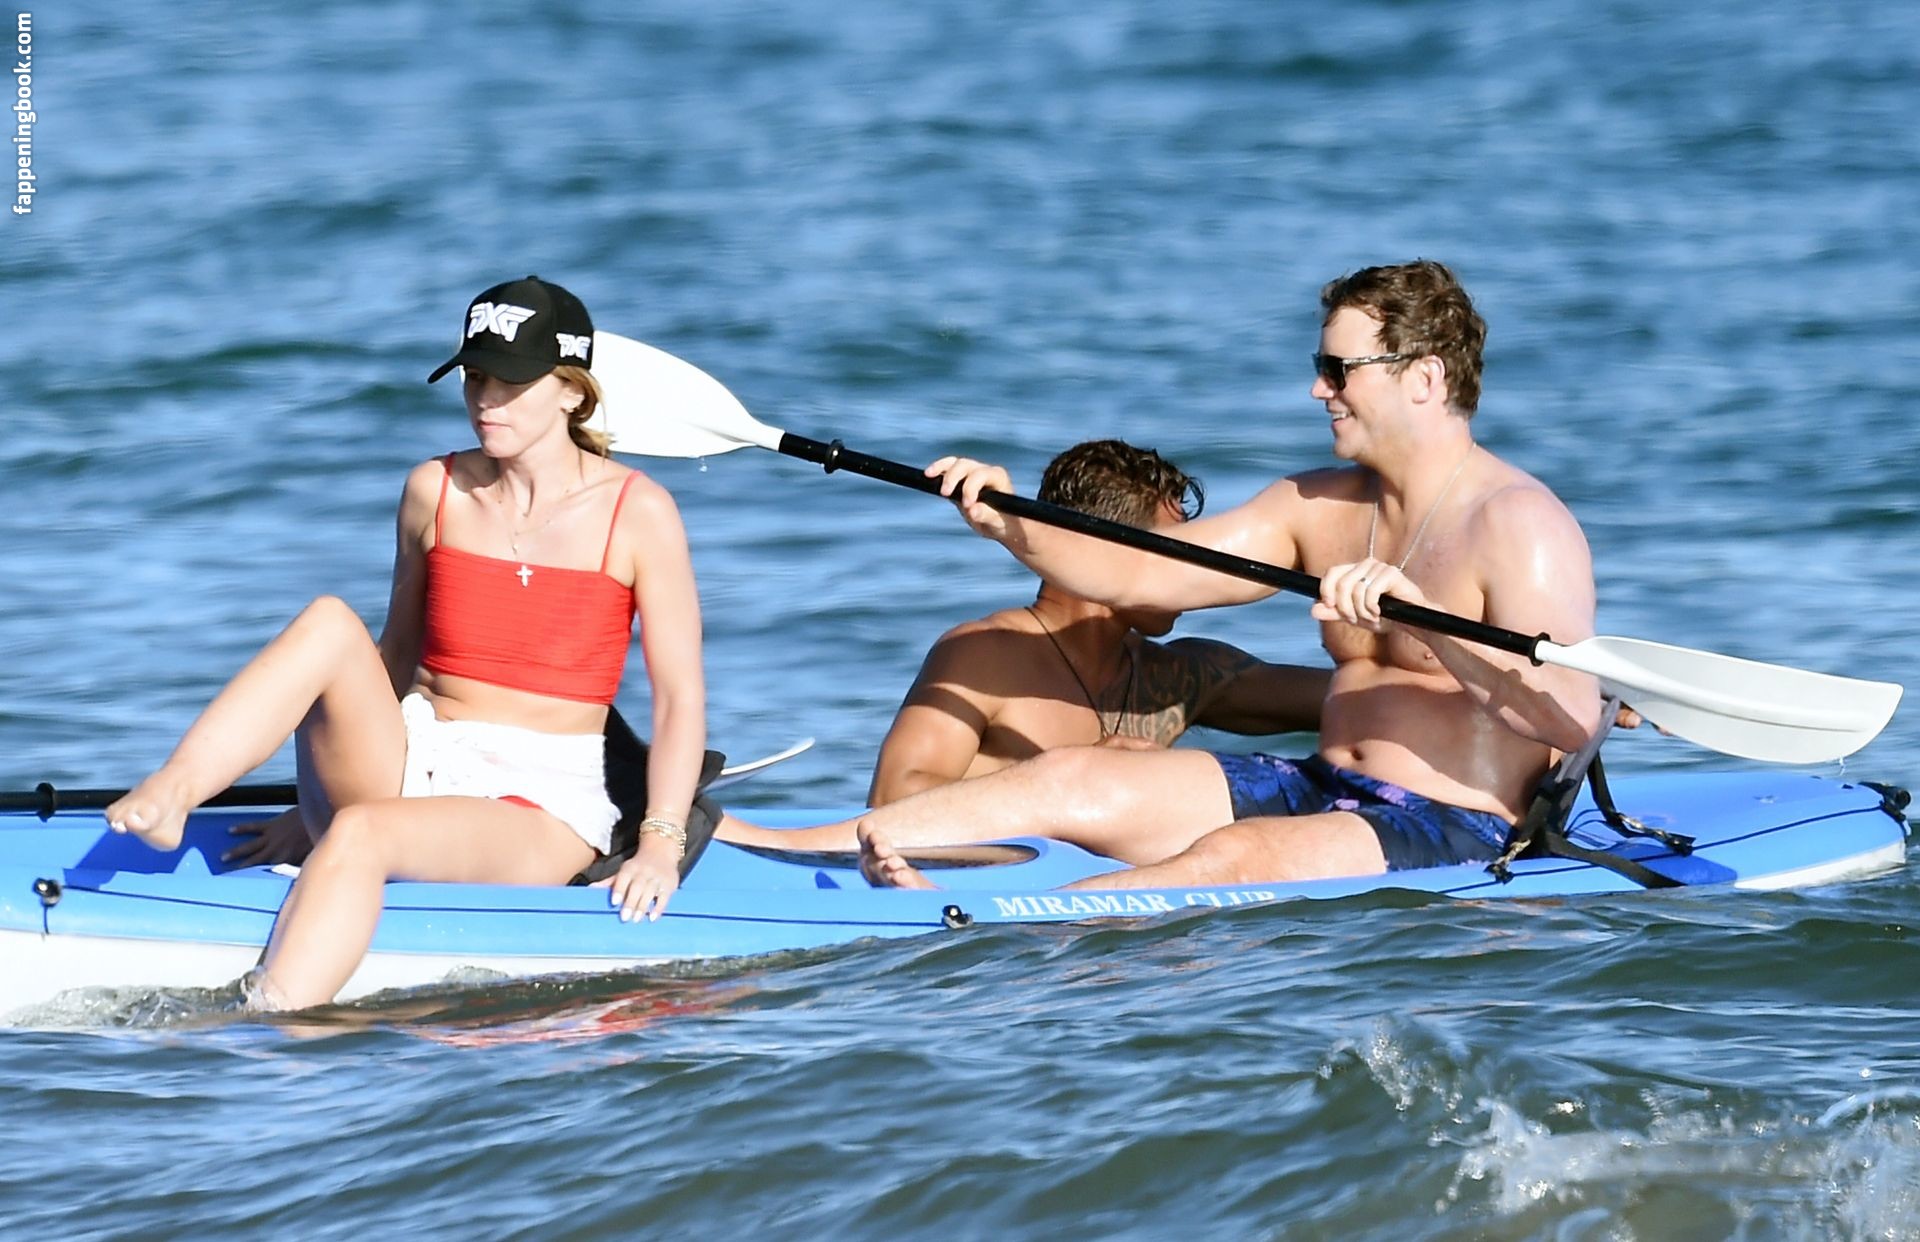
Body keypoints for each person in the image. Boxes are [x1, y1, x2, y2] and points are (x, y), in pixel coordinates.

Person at [829, 261, 1605, 889]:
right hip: (1320, 785)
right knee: (1070, 775)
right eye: (1319, 367)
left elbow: (1569, 722)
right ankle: (797, 848)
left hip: (1455, 824)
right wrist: (1012, 524)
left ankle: (994, 924)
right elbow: (1142, 572)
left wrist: (1425, 620)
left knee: (1233, 856)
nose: (1319, 389)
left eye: (1338, 370)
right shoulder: (1314, 504)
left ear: (1424, 379)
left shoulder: (1519, 523)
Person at [104, 276, 707, 1009]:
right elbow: (393, 657)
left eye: (511, 383)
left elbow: (678, 701)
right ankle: (175, 790)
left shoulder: (638, 514)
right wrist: (315, 798)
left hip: (539, 801)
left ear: (571, 392)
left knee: (361, 833)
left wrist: (661, 842)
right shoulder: (435, 490)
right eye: (475, 378)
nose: (486, 401)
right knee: (331, 621)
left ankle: (271, 1028)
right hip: (412, 754)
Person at [860, 439, 1329, 806]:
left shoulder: (1181, 678)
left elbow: (1347, 698)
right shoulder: (984, 654)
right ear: (1103, 553)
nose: (1193, 571)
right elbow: (892, 797)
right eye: (1176, 547)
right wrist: (1073, 776)